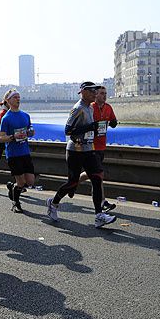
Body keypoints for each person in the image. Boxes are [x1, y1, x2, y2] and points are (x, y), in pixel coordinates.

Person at [46, 82, 117, 228]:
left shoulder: (89, 108)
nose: (95, 94)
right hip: (75, 150)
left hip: (89, 148)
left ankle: (99, 215)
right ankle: (53, 202)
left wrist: (95, 130)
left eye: (96, 92)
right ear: (83, 92)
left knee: (97, 178)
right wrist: (90, 127)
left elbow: (88, 129)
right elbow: (68, 130)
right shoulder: (78, 109)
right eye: (92, 92)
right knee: (72, 182)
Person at [78, 85, 117, 212]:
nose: (104, 96)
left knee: (93, 174)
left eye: (105, 93)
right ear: (95, 95)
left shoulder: (108, 108)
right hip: (90, 145)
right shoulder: (90, 108)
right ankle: (102, 201)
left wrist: (113, 123)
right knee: (98, 174)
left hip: (102, 145)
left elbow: (113, 121)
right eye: (101, 93)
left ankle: (72, 183)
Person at [0, 90, 35, 213]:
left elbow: (30, 128)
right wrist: (13, 137)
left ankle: (13, 188)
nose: (18, 99)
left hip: (25, 152)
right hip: (13, 154)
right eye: (15, 97)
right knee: (21, 181)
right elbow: (1, 138)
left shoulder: (25, 115)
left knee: (30, 181)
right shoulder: (6, 118)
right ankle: (16, 202)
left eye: (19, 97)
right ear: (8, 100)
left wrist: (30, 132)